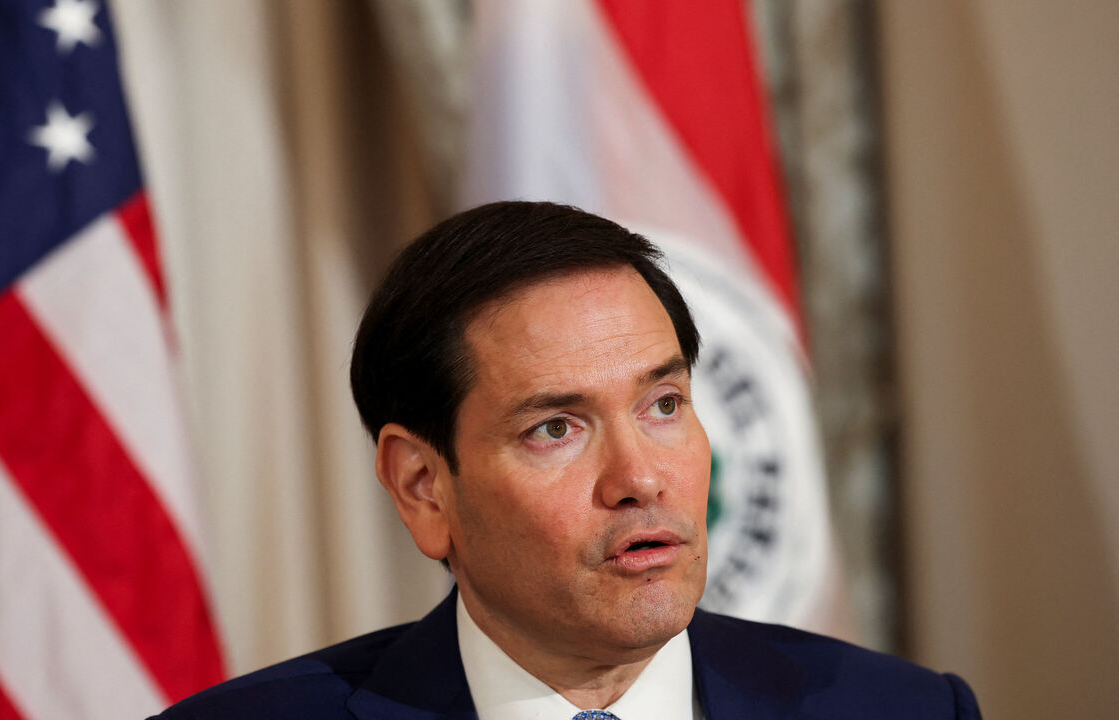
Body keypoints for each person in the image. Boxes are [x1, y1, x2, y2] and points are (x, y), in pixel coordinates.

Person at [151, 201, 981, 719]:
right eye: (555, 428)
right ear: (423, 486)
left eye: (663, 406)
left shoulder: (903, 709)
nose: (640, 479)